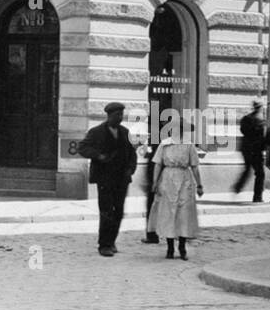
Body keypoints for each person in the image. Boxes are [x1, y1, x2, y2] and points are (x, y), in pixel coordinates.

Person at [78, 102, 138, 257]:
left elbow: (132, 154)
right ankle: (104, 245)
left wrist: (130, 169)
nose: (120, 117)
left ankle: (111, 241)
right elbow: (82, 148)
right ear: (109, 115)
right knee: (106, 212)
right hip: (104, 179)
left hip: (122, 179)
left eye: (122, 114)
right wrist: (98, 155)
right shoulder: (96, 132)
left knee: (118, 211)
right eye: (117, 114)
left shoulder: (125, 132)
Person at [147, 133, 203, 260]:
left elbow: (194, 166)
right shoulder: (165, 144)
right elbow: (158, 164)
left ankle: (182, 247)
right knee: (169, 213)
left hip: (184, 179)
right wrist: (155, 182)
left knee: (184, 214)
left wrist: (199, 184)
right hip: (168, 179)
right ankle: (170, 247)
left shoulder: (189, 145)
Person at [231, 100, 265, 201]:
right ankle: (257, 197)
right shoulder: (259, 121)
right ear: (259, 108)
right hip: (255, 150)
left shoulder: (246, 119)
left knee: (247, 169)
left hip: (245, 148)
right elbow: (261, 137)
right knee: (260, 173)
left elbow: (242, 130)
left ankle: (237, 187)